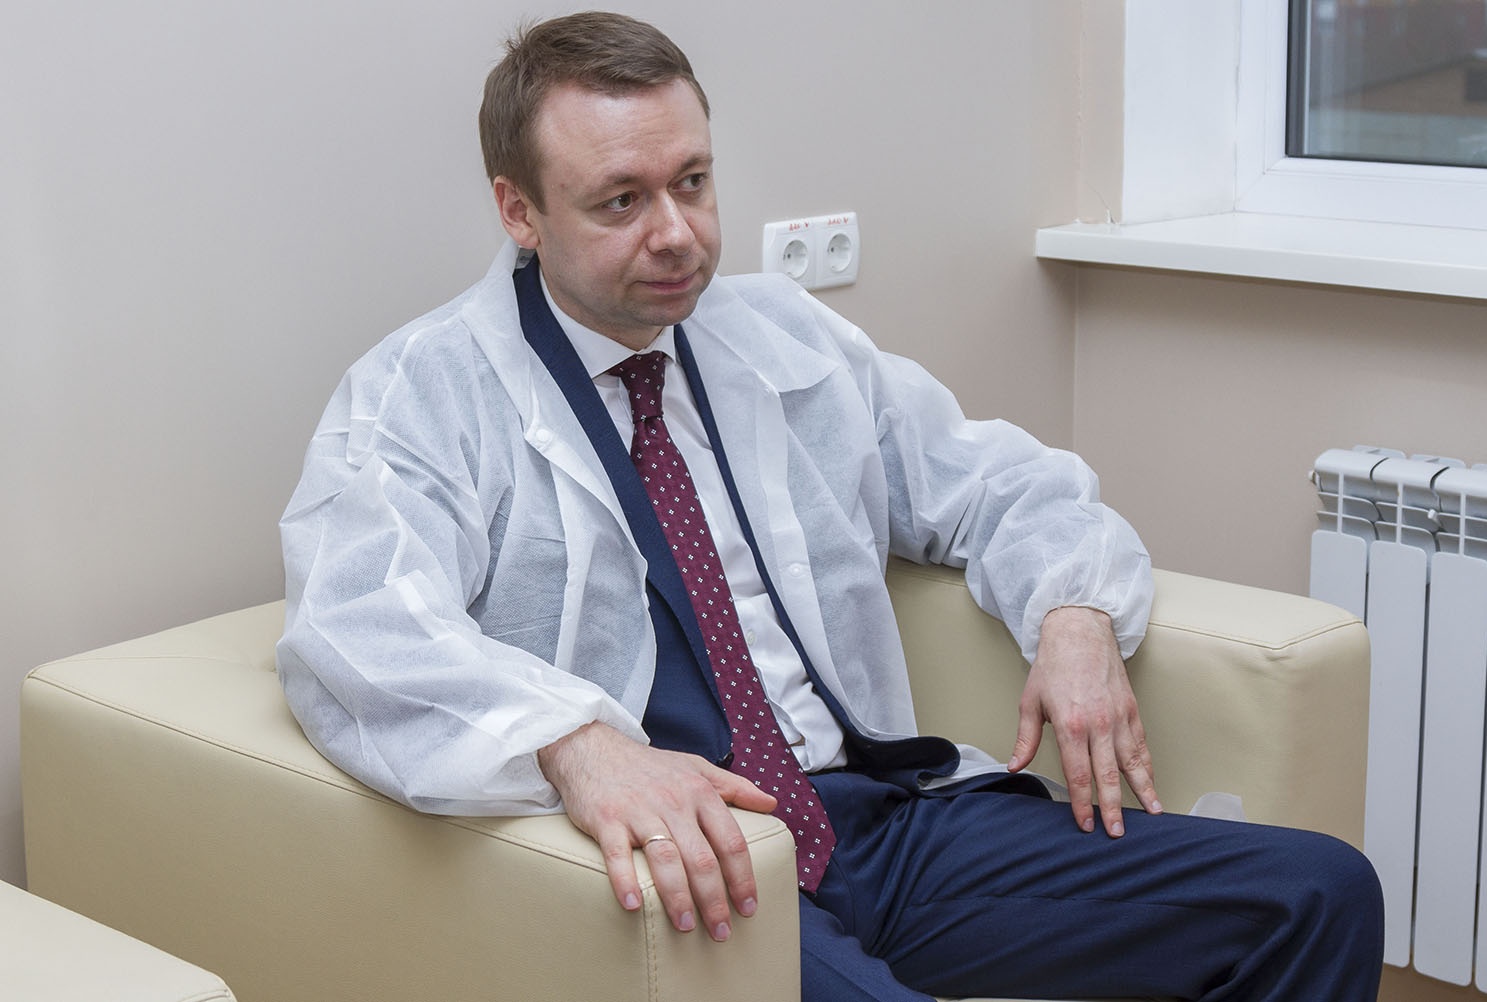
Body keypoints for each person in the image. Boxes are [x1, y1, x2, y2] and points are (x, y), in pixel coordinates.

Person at [277, 11, 1381, 1000]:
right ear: (518, 210)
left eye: (693, 182)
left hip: (886, 823)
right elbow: (357, 628)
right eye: (621, 200)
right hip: (705, 863)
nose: (677, 233)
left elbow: (995, 479)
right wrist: (575, 743)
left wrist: (1076, 612)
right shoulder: (425, 392)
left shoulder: (779, 336)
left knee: (1318, 892)